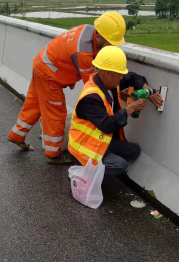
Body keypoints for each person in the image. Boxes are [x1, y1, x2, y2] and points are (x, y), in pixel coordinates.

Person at [8, 12, 128, 164]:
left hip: (42, 64)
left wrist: (70, 77)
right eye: (110, 43)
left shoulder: (88, 30)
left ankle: (16, 135)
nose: (111, 47)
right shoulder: (84, 52)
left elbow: (69, 55)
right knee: (55, 112)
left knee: (34, 105)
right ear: (99, 36)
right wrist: (117, 94)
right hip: (49, 73)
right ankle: (53, 154)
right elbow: (95, 84)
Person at [68, 46, 163, 177]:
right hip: (84, 149)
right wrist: (131, 108)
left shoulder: (108, 81)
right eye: (120, 74)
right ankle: (83, 176)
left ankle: (102, 164)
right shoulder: (91, 97)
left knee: (134, 150)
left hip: (100, 141)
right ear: (108, 73)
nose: (122, 77)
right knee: (119, 165)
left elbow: (132, 77)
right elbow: (107, 125)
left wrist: (147, 89)